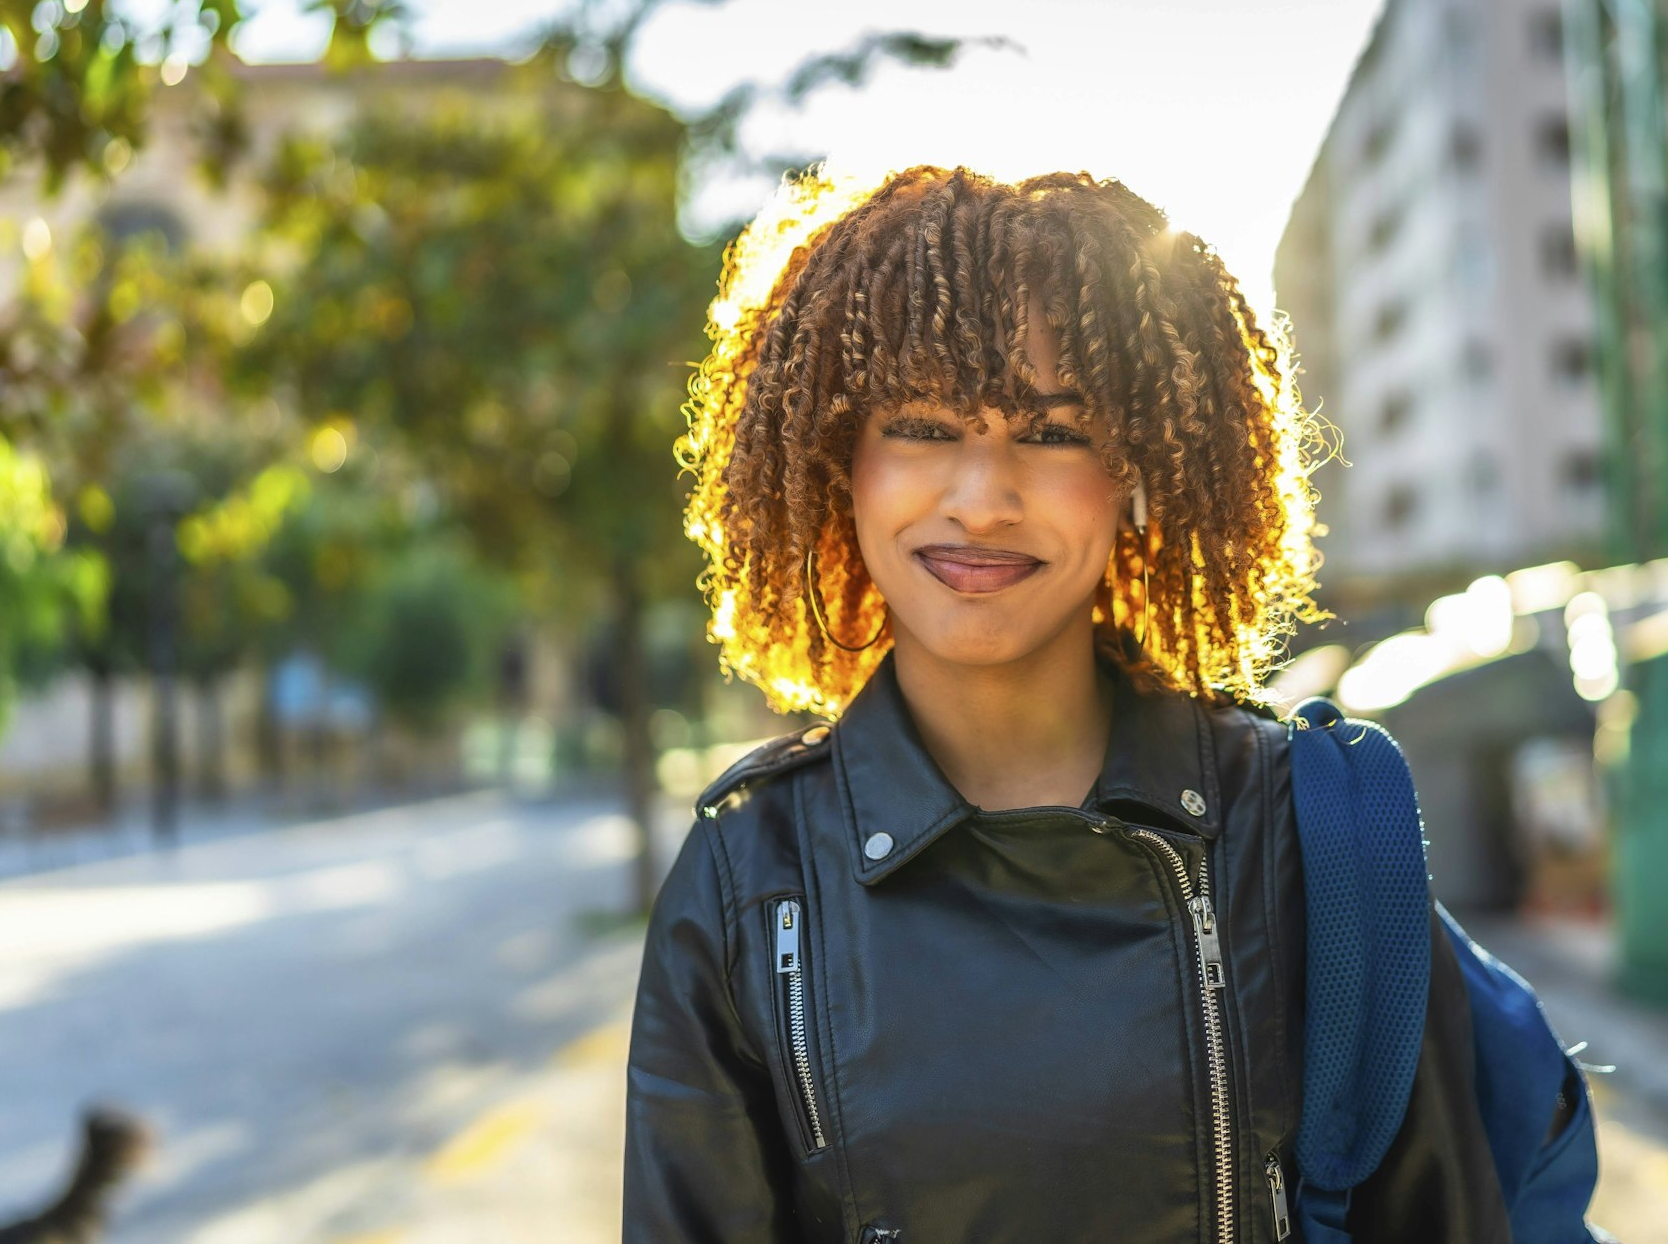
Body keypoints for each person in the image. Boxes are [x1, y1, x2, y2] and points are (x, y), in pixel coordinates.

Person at [624, 163, 1553, 1242]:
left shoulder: (1309, 826)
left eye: (1054, 433)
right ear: (840, 464)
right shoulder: (747, 878)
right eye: (922, 426)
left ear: (1137, 471)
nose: (981, 499)